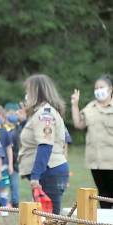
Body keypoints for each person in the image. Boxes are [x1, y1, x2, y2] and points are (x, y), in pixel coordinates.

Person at [19, 74, 69, 215]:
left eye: (28, 91)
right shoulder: (39, 113)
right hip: (47, 171)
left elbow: (45, 145)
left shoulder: (44, 114)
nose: (26, 95)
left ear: (37, 91)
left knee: (50, 218)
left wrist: (36, 175)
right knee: (44, 218)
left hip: (48, 172)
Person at [71, 75, 113, 209]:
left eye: (102, 87)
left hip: (111, 160)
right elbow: (78, 124)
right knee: (103, 194)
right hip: (95, 161)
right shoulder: (91, 107)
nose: (98, 90)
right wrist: (75, 105)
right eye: (96, 88)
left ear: (110, 89)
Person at [4, 102, 22, 208]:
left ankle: (15, 202)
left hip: (15, 160)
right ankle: (3, 201)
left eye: (15, 113)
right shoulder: (4, 128)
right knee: (4, 183)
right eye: (10, 113)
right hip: (4, 160)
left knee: (14, 182)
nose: (12, 116)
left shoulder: (20, 128)